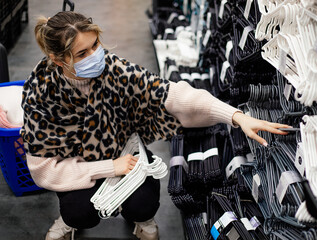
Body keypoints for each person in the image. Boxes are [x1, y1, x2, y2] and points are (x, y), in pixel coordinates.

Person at [21, 11, 290, 240]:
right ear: (58, 60)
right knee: (79, 212)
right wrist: (109, 167)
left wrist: (236, 116)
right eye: (82, 53)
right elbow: (43, 171)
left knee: (144, 203)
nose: (96, 55)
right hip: (81, 167)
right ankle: (69, 222)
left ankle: (142, 220)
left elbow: (174, 95)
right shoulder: (41, 95)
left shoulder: (115, 71)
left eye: (95, 45)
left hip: (126, 150)